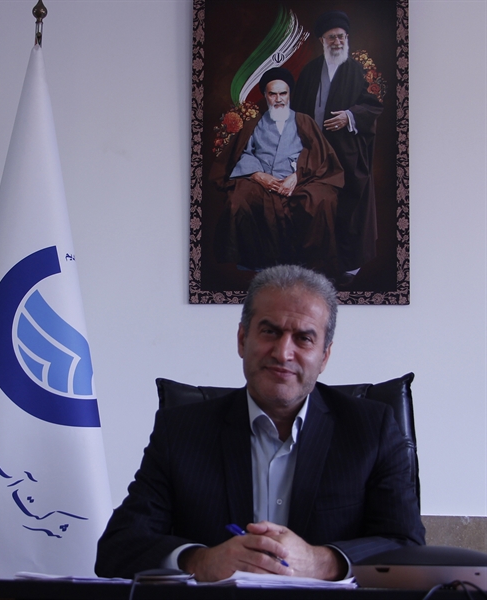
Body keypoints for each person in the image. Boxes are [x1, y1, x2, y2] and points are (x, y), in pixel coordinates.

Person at [95, 265, 425, 581]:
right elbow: (118, 548)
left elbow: (407, 545)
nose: (283, 353)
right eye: (270, 331)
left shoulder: (372, 429)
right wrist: (201, 561)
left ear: (324, 356)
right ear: (242, 339)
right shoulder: (180, 431)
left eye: (304, 338)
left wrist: (320, 562)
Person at [212, 68, 344, 278]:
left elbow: (318, 154)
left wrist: (297, 176)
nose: (278, 99)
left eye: (283, 93)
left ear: (289, 94)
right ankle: (255, 262)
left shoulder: (304, 121)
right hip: (262, 181)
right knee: (238, 199)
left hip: (300, 179)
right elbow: (243, 153)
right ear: (265, 96)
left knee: (322, 199)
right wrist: (258, 175)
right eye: (273, 94)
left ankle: (310, 263)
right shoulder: (253, 124)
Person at [291, 10, 383, 284]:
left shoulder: (359, 70)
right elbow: (297, 110)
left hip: (347, 154)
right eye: (332, 37)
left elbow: (373, 106)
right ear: (322, 40)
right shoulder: (309, 71)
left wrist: (350, 116)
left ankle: (348, 264)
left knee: (348, 209)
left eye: (341, 37)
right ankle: (316, 263)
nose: (337, 42)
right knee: (314, 205)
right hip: (313, 153)